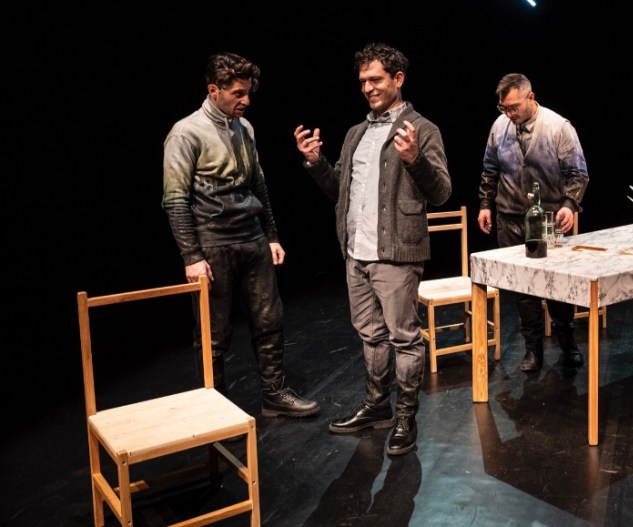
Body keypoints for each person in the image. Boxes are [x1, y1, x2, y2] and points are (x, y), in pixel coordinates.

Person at [293, 43, 451, 455]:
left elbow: (441, 192)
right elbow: (339, 190)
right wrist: (316, 163)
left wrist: (415, 159)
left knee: (404, 338)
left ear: (398, 79)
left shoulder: (422, 129)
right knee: (370, 334)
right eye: (363, 80)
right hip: (356, 253)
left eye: (376, 79)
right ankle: (377, 406)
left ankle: (406, 417)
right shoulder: (355, 134)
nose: (367, 87)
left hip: (396, 253)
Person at [162, 52, 320, 418]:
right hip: (212, 243)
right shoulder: (186, 133)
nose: (246, 100)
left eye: (248, 92)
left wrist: (272, 235)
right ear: (213, 90)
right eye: (238, 93)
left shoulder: (244, 128)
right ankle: (215, 410)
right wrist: (191, 256)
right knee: (215, 333)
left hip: (252, 238)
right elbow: (175, 200)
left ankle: (274, 394)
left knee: (269, 319)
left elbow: (258, 185)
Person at [477, 73, 590, 373]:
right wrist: (485, 205)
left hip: (546, 218)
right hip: (510, 217)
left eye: (513, 107)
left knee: (557, 286)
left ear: (531, 97)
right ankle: (532, 350)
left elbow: (578, 174)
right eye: (504, 108)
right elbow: (489, 170)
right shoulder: (499, 126)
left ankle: (568, 343)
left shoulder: (558, 127)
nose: (509, 114)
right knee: (523, 288)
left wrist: (569, 205)